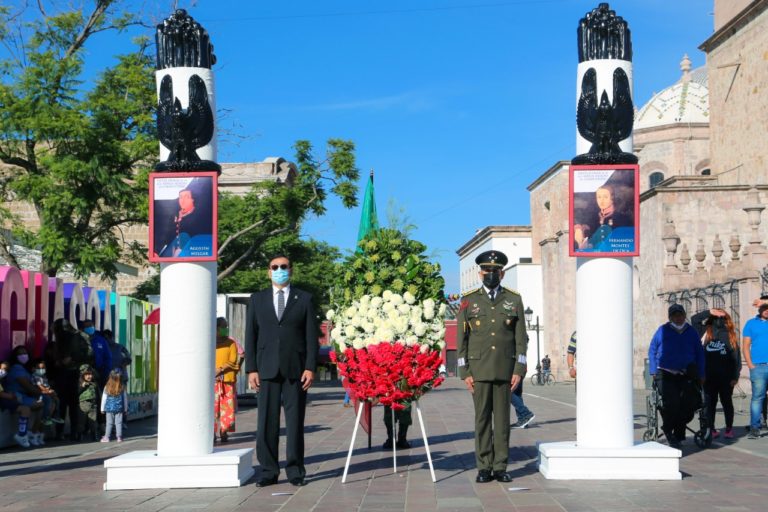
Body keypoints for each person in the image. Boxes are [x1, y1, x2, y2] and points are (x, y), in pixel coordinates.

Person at [245, 255, 319, 487]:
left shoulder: (304, 299)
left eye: (283, 267)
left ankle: (295, 471)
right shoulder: (257, 300)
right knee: (266, 423)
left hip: (295, 370)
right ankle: (268, 471)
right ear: (268, 272)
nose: (279, 270)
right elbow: (251, 336)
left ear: (291, 270)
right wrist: (251, 369)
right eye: (274, 267)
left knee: (295, 422)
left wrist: (310, 367)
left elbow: (311, 337)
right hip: (266, 368)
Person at [458, 250, 528, 483]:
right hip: (478, 371)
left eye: (495, 271)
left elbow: (521, 339)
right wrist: (464, 372)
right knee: (482, 420)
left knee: (502, 422)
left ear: (502, 273)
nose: (490, 275)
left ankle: (500, 467)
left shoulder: (513, 299)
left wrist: (519, 370)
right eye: (486, 271)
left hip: (505, 370)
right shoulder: (468, 300)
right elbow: (461, 341)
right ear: (480, 274)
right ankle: (484, 467)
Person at [648, 304, 706, 448]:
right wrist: (653, 370)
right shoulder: (663, 330)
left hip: (686, 373)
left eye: (680, 314)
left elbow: (699, 353)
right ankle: (669, 430)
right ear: (670, 317)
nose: (678, 317)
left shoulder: (691, 331)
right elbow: (652, 349)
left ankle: (678, 433)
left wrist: (701, 373)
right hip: (665, 373)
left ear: (684, 315)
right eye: (675, 315)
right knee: (672, 403)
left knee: (688, 405)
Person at [690, 308, 740, 439]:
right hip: (708, 377)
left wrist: (735, 376)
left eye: (722, 318)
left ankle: (729, 428)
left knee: (727, 403)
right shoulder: (705, 331)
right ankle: (711, 428)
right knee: (709, 404)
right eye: (717, 317)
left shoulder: (730, 334)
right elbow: (694, 320)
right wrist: (709, 312)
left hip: (726, 378)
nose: (719, 320)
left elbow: (736, 358)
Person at [157, 184, 212, 258]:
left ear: (193, 199)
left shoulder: (199, 216)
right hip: (173, 254)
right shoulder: (174, 215)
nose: (183, 200)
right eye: (181, 197)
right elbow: (167, 236)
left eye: (187, 197)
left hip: (193, 254)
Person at [5, 347, 45, 447]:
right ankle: (24, 434)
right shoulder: (16, 368)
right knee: (38, 404)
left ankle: (33, 432)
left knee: (42, 406)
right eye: (20, 354)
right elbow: (28, 386)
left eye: (25, 353)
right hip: (14, 396)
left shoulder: (24, 368)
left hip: (22, 396)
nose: (23, 355)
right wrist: (42, 392)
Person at [51, 318, 81, 440]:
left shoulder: (62, 340)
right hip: (70, 375)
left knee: (63, 406)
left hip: (65, 376)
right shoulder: (74, 336)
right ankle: (73, 432)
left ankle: (61, 433)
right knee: (72, 406)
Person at [742, 302, 768, 439]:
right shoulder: (751, 323)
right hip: (758, 367)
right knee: (757, 398)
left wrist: (764, 301)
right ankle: (755, 428)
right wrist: (750, 365)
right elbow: (745, 345)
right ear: (759, 309)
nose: (766, 310)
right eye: (764, 308)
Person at [1, 360, 37, 448]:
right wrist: (10, 396)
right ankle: (22, 435)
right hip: (4, 400)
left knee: (26, 409)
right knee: (25, 409)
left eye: (6, 370)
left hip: (6, 400)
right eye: (3, 369)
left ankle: (23, 434)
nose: (3, 372)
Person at [214, 317, 239, 443]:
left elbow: (233, 360)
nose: (226, 329)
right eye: (224, 327)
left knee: (227, 409)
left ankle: (224, 432)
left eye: (226, 326)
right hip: (213, 382)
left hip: (227, 380)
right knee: (212, 409)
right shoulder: (210, 342)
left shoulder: (231, 343)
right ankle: (211, 433)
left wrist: (220, 369)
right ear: (217, 328)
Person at [30, 359, 64, 427]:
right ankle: (45, 418)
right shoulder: (35, 376)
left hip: (46, 392)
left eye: (43, 368)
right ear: (33, 369)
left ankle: (55, 416)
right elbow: (40, 386)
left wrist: (50, 391)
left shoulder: (43, 376)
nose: (41, 369)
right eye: (39, 368)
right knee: (48, 400)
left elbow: (46, 385)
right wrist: (48, 391)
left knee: (57, 399)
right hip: (39, 394)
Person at [81, 320, 112, 390]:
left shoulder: (101, 340)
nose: (90, 328)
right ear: (83, 328)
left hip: (99, 373)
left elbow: (108, 357)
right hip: (84, 374)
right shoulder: (80, 340)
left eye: (91, 326)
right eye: (87, 326)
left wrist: (106, 371)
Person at [100, 369, 128, 442]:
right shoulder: (122, 386)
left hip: (109, 408)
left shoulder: (107, 386)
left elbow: (104, 398)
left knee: (109, 423)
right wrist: (125, 409)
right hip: (119, 408)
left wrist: (102, 408)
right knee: (118, 423)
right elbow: (125, 399)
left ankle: (107, 437)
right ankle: (119, 437)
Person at [78, 364, 100, 441]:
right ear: (82, 375)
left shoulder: (94, 384)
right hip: (83, 405)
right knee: (81, 421)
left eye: (90, 374)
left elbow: (98, 395)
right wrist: (82, 387)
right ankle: (79, 435)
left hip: (93, 405)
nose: (89, 376)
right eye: (87, 375)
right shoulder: (80, 383)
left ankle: (94, 435)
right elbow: (76, 393)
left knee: (93, 422)